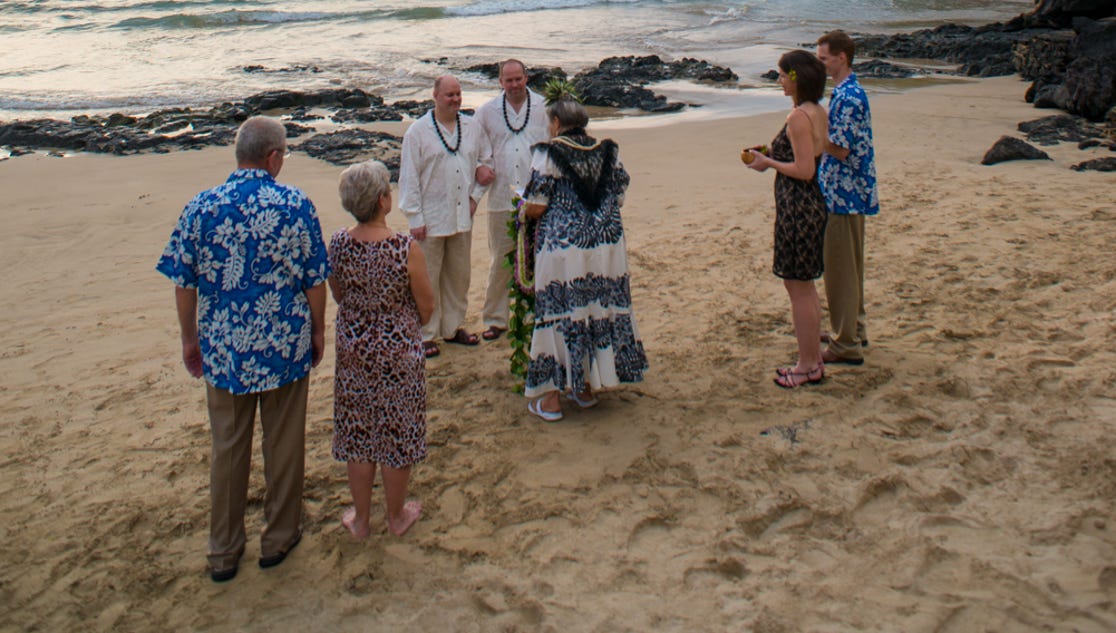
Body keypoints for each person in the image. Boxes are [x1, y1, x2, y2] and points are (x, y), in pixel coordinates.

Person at [156, 116, 329, 582]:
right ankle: (278, 536)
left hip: (225, 347)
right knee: (285, 445)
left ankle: (224, 549)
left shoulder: (202, 206)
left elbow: (182, 281)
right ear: (273, 157)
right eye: (284, 156)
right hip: (282, 344)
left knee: (228, 449)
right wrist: (319, 330)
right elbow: (315, 280)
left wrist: (189, 338)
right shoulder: (295, 204)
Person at [520, 94, 649, 421]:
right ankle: (586, 388)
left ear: (557, 123)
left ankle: (551, 399)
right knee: (596, 307)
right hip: (606, 245)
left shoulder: (549, 153)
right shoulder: (609, 151)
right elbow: (620, 195)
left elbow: (536, 202)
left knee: (559, 311)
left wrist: (520, 210)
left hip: (566, 248)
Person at [328, 160, 434, 539]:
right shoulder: (404, 247)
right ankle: (395, 515)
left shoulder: (339, 243)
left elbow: (338, 294)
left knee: (359, 432)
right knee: (396, 431)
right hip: (397, 349)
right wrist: (399, 323)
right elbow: (426, 306)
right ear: (382, 201)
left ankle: (361, 519)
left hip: (354, 347)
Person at [745, 50, 830, 388]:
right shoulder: (816, 111)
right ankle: (813, 361)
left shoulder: (799, 117)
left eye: (781, 75)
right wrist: (771, 154)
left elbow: (805, 170)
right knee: (804, 287)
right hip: (810, 206)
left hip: (799, 208)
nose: (778, 80)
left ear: (795, 78)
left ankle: (808, 364)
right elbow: (806, 157)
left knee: (798, 288)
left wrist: (769, 164)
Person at [398, 74, 494, 358]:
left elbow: (486, 163)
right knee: (426, 277)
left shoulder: (472, 127)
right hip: (430, 218)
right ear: (435, 96)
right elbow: (409, 179)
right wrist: (414, 218)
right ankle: (426, 333)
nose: (455, 99)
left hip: (462, 214)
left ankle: (452, 328)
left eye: (458, 94)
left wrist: (475, 197)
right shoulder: (417, 132)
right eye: (449, 95)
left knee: (458, 276)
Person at [816, 31, 880, 365]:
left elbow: (839, 148)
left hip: (844, 193)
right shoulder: (847, 92)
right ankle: (852, 329)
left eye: (823, 58)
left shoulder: (847, 96)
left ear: (841, 57)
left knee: (841, 270)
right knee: (851, 266)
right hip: (851, 191)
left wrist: (814, 130)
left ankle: (845, 344)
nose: (820, 64)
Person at [475, 59, 549, 342]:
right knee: (501, 261)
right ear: (500, 82)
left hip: (538, 198)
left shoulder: (544, 107)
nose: (515, 84)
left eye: (519, 79)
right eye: (509, 80)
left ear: (526, 77)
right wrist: (480, 168)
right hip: (500, 198)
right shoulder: (486, 112)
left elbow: (553, 146)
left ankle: (534, 315)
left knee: (536, 257)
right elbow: (479, 151)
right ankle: (496, 318)